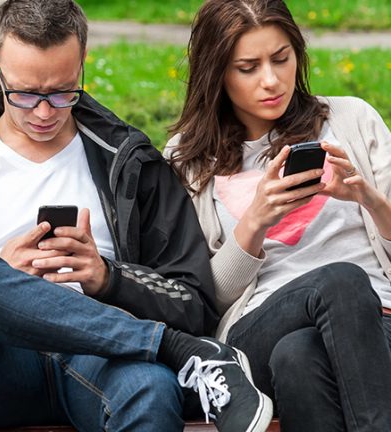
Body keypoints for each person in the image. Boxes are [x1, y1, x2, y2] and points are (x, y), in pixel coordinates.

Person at [0, 1, 273, 431]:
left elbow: (192, 302)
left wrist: (107, 278)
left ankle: (160, 349)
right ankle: (170, 347)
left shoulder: (132, 162)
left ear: (83, 61)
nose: (44, 112)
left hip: (98, 360)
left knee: (150, 389)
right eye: (25, 93)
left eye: (63, 91)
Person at [165, 0, 391, 430]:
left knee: (299, 357)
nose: (271, 81)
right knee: (339, 280)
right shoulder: (186, 160)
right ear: (217, 73)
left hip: (377, 323)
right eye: (248, 68)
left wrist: (367, 197)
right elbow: (198, 302)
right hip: (257, 330)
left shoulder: (353, 120)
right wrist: (255, 222)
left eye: (281, 59)